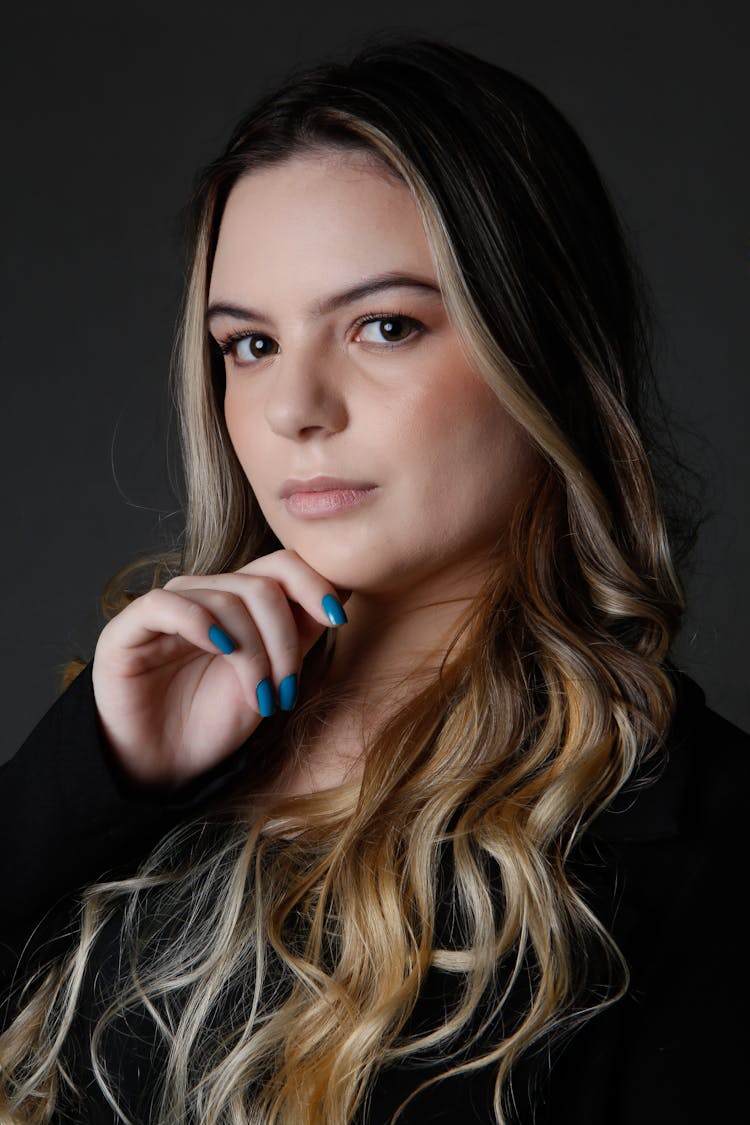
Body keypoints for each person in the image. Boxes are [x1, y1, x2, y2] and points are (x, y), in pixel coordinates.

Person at [0, 36, 747, 1125]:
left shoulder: (710, 857)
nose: (295, 404)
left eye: (383, 327)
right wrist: (91, 778)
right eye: (248, 344)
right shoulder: (135, 752)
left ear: (536, 352)